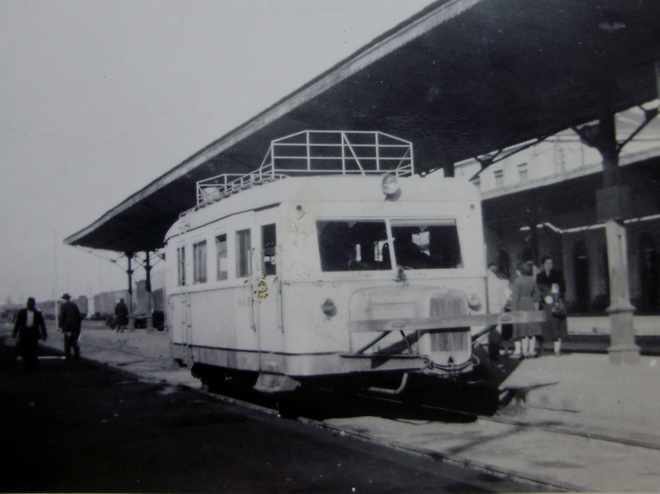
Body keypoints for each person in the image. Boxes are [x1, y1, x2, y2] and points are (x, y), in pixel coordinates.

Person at [536, 256, 568, 356]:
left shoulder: (558, 274)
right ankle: (542, 349)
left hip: (555, 303)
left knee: (556, 326)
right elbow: (538, 289)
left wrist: (557, 296)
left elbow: (563, 288)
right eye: (546, 263)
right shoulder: (539, 275)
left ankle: (557, 350)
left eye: (550, 263)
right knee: (543, 326)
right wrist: (544, 297)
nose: (548, 265)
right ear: (543, 264)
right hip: (545, 304)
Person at [510, 261, 542, 358]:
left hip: (520, 305)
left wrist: (513, 311)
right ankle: (531, 351)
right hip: (530, 305)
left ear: (519, 271)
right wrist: (530, 300)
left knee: (521, 329)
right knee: (531, 329)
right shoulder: (532, 280)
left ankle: (523, 351)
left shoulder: (517, 281)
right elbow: (537, 294)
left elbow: (515, 297)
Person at [12, 297, 48, 372]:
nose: (30, 305)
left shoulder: (38, 313)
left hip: (33, 333)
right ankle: (26, 366)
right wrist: (15, 333)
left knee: (33, 351)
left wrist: (44, 334)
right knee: (25, 350)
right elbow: (18, 323)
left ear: (34, 305)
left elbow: (42, 325)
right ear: (27, 304)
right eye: (29, 304)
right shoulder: (22, 312)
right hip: (24, 333)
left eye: (32, 304)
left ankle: (33, 366)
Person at [486, 262, 512, 357]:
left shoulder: (485, 280)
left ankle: (490, 350)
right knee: (497, 328)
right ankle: (495, 350)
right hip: (497, 306)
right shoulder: (499, 282)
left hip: (487, 306)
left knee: (487, 328)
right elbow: (504, 298)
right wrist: (502, 306)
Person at [58, 293, 81, 361]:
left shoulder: (63, 306)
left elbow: (62, 316)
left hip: (67, 327)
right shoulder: (74, 305)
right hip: (75, 327)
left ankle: (68, 357)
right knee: (74, 341)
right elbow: (79, 317)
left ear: (64, 299)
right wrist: (78, 326)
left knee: (67, 342)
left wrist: (59, 325)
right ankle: (77, 356)